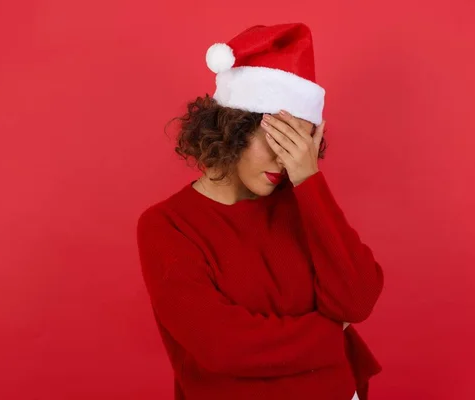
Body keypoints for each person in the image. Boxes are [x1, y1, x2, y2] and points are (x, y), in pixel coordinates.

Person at [136, 23, 384, 400]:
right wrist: (332, 331)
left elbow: (357, 300)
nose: (285, 158)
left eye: (299, 142)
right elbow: (223, 345)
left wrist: (310, 181)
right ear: (232, 129)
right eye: (276, 138)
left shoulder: (302, 200)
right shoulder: (167, 226)